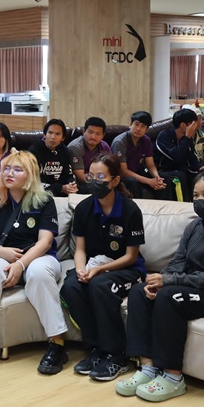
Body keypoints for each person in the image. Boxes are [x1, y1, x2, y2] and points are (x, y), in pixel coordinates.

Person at [117, 170, 204, 402]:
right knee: (139, 291)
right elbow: (179, 261)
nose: (199, 200)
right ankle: (148, 368)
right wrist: (160, 280)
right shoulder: (195, 227)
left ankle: (172, 377)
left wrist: (169, 282)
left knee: (170, 297)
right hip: (198, 285)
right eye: (195, 195)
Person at [0, 151, 68, 376]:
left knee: (39, 273)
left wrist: (21, 265)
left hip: (38, 258)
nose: (9, 173)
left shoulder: (44, 200)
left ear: (30, 174)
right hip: (2, 258)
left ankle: (57, 344)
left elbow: (45, 242)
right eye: (6, 168)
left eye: (17, 169)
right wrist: (0, 251)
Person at [60, 154, 145, 381]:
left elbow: (131, 256)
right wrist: (81, 269)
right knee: (70, 286)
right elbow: (79, 249)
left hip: (127, 269)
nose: (93, 181)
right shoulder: (84, 208)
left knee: (99, 285)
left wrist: (99, 271)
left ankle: (117, 354)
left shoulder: (130, 210)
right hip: (94, 265)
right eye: (91, 176)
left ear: (115, 180)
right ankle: (97, 348)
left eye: (100, 177)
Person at [111, 111, 169, 199]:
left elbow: (150, 165)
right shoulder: (120, 142)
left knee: (164, 178)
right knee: (132, 181)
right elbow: (124, 171)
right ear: (130, 124)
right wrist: (149, 181)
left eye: (143, 126)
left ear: (147, 130)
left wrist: (157, 177)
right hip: (121, 176)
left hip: (138, 172)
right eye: (136, 124)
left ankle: (163, 206)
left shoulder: (146, 140)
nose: (138, 129)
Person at [154, 108, 202, 201]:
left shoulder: (186, 138)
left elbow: (192, 157)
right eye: (193, 124)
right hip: (164, 170)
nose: (195, 126)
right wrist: (187, 137)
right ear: (183, 125)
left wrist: (200, 167)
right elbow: (177, 156)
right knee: (181, 176)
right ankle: (182, 205)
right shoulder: (164, 136)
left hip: (180, 169)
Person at [29, 118, 77, 196]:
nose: (53, 137)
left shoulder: (64, 151)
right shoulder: (34, 150)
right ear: (45, 134)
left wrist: (71, 185)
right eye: (50, 133)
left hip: (62, 192)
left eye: (57, 134)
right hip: (40, 193)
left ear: (63, 138)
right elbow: (33, 181)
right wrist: (60, 188)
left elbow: (68, 174)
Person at [67, 116, 112, 192]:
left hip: (100, 181)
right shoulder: (75, 147)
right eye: (90, 132)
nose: (93, 136)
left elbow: (111, 169)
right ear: (84, 131)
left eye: (98, 134)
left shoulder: (104, 146)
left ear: (103, 135)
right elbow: (81, 177)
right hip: (81, 185)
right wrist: (102, 178)